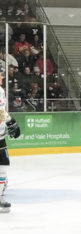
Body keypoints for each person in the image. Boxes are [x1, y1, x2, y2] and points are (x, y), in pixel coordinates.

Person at [0, 69, 21, 213]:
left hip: (0, 136)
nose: (2, 77)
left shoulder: (1, 91)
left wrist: (9, 121)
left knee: (3, 165)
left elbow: (1, 110)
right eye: (0, 74)